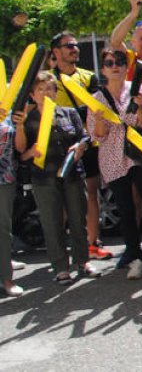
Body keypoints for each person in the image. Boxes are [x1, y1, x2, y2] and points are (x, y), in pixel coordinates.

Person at [87, 47, 142, 279]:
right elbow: (98, 135)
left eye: (119, 62)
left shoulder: (139, 88)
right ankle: (135, 258)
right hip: (113, 158)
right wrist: (99, 120)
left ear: (127, 66)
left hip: (140, 155)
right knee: (125, 210)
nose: (115, 66)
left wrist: (141, 105)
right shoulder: (96, 99)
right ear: (103, 69)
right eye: (109, 63)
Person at [14, 72, 95, 284]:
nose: (45, 93)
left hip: (72, 175)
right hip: (44, 179)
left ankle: (83, 261)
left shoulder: (69, 113)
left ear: (56, 92)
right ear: (33, 95)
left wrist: (80, 146)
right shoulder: (28, 120)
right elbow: (20, 152)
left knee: (78, 220)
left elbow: (84, 137)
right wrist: (30, 152)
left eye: (50, 88)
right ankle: (60, 268)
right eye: (40, 89)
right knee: (52, 224)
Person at [49, 31, 110, 261]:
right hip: (60, 146)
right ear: (56, 52)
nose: (74, 49)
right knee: (63, 198)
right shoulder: (47, 80)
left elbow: (97, 107)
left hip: (88, 141)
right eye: (68, 46)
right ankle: (64, 249)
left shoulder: (89, 77)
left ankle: (93, 244)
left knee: (92, 193)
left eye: (75, 45)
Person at [0, 113, 24, 296]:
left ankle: (6, 279)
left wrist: (20, 125)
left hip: (5, 179)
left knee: (3, 230)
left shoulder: (8, 110)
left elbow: (19, 147)